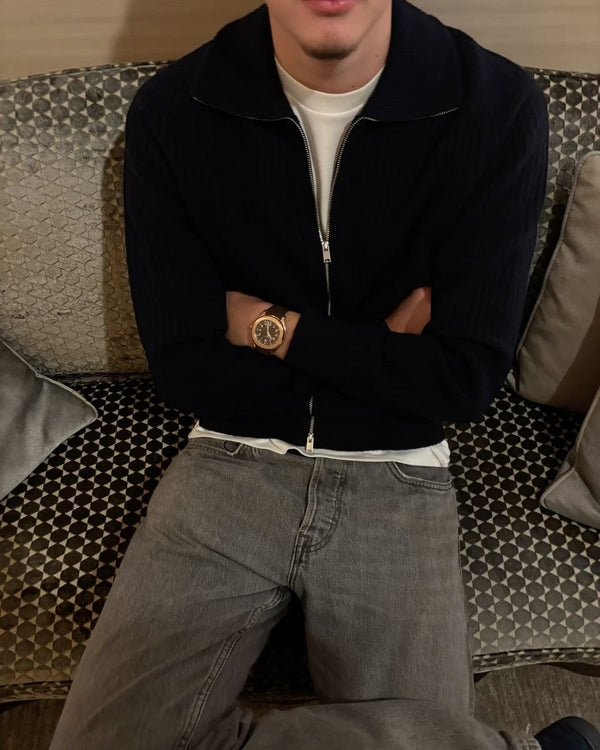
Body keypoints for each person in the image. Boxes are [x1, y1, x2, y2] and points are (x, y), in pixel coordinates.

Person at [49, 1, 600, 749]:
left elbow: (461, 381)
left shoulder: (494, 105)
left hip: (397, 473)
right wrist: (382, 355)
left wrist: (266, 325)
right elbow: (185, 366)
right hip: (229, 460)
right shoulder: (176, 108)